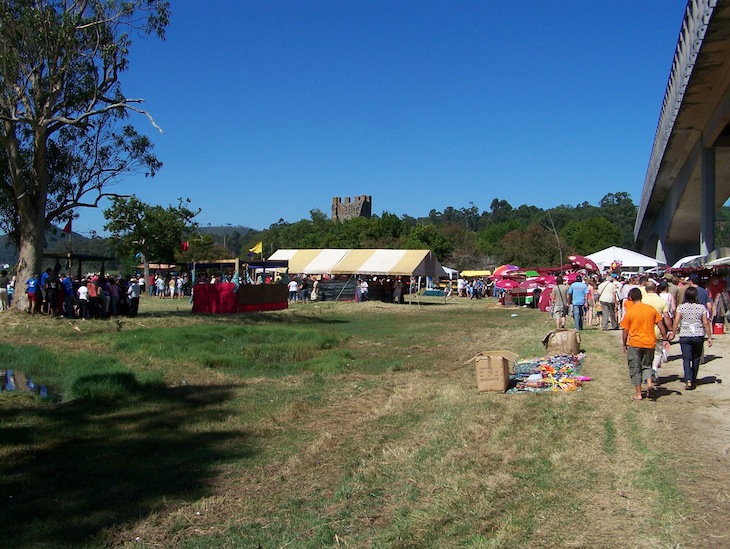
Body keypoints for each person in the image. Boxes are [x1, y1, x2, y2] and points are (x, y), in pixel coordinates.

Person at [620, 287, 672, 401]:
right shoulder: (650, 310)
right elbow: (660, 325)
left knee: (635, 367)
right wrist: (665, 339)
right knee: (647, 365)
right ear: (641, 297)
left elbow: (625, 330)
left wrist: (624, 344)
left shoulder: (631, 312)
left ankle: (638, 393)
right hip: (649, 342)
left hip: (635, 343)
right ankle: (649, 384)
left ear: (630, 298)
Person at [672, 286, 712, 391]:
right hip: (698, 334)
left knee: (686, 358)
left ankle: (688, 379)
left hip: (685, 334)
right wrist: (709, 337)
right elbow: (705, 322)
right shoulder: (701, 307)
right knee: (696, 358)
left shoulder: (681, 307)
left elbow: (676, 321)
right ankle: (693, 378)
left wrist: (673, 333)